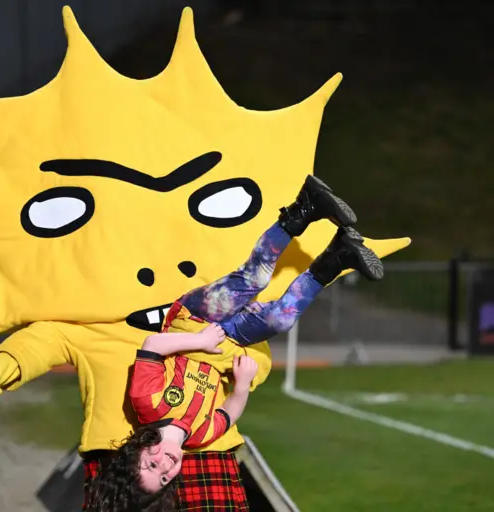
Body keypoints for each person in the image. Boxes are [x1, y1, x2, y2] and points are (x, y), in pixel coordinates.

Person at [84, 175, 384, 510]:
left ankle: (305, 207)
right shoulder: (199, 436)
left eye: (151, 465)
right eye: (166, 476)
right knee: (281, 319)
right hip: (228, 338)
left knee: (253, 280)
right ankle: (337, 257)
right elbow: (228, 413)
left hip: (194, 320)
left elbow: (153, 345)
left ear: (133, 455)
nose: (165, 464)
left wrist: (197, 339)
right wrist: (240, 386)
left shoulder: (147, 405)